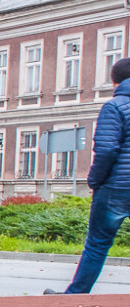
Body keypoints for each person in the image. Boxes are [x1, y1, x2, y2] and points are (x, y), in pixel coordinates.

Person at [55, 56, 130, 294]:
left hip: (115, 188)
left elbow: (107, 149)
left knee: (97, 245)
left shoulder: (114, 106)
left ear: (114, 80)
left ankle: (75, 298)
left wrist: (95, 180)